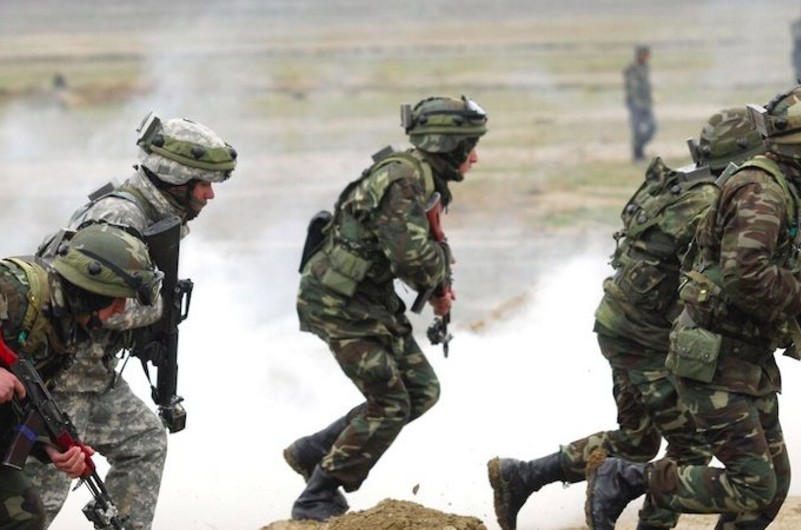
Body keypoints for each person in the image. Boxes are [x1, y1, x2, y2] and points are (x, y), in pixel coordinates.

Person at [487, 107, 767, 530]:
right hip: (645, 339)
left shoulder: (676, 183)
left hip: (620, 325)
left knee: (636, 442)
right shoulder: (709, 202)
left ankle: (522, 475)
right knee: (690, 448)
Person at [585, 83, 801, 530]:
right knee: (753, 486)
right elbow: (746, 276)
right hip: (716, 361)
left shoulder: (778, 187)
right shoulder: (761, 193)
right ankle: (627, 476)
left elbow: (765, 271)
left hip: (745, 359)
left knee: (771, 488)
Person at [24, 113, 237, 530]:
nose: (210, 194)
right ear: (175, 180)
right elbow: (107, 309)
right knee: (36, 505)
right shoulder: (120, 218)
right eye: (203, 182)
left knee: (144, 442)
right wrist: (159, 307)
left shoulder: (143, 215)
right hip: (61, 379)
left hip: (91, 374)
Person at [286, 95, 487, 521]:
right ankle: (317, 496)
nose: (476, 157)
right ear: (449, 146)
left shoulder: (421, 179)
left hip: (369, 302)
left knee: (421, 391)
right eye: (470, 145)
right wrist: (438, 275)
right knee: (390, 402)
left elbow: (421, 250)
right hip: (339, 304)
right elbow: (411, 259)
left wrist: (439, 286)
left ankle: (315, 451)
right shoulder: (402, 182)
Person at [1, 223, 161, 530]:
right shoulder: (18, 288)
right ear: (92, 290)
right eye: (118, 296)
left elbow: (24, 405)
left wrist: (48, 446)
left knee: (24, 513)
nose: (122, 308)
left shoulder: (70, 327)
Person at [624, 44, 656, 162]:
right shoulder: (632, 68)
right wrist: (636, 105)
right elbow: (632, 89)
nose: (647, 57)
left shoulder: (646, 67)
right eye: (645, 54)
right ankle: (637, 155)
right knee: (637, 130)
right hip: (635, 104)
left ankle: (640, 149)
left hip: (646, 104)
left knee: (652, 127)